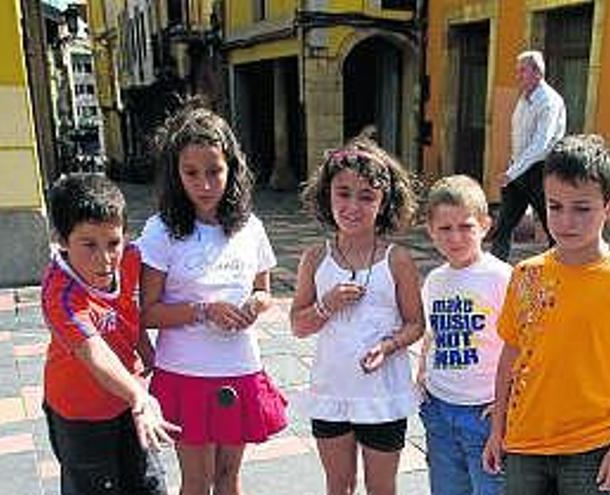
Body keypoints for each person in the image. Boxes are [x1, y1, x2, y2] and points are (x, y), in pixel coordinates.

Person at [482, 134, 610, 494]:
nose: (565, 221)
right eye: (555, 206)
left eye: (582, 208)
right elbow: (510, 357)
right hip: (524, 442)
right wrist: (497, 428)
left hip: (592, 447)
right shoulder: (526, 273)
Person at [137, 107, 287, 495]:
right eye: (192, 173)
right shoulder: (160, 231)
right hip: (185, 373)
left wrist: (255, 305)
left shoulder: (250, 227)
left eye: (214, 171)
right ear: (176, 174)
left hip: (240, 366)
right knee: (197, 482)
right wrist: (204, 310)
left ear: (231, 169)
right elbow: (148, 313)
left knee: (229, 480)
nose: (205, 184)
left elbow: (263, 290)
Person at [290, 137, 424, 495]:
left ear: (383, 203)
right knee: (338, 485)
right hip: (331, 391)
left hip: (382, 396)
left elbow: (416, 324)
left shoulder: (398, 260)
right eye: (343, 193)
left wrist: (389, 345)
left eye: (367, 196)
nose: (353, 205)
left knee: (381, 487)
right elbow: (298, 326)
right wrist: (326, 305)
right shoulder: (315, 258)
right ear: (327, 195)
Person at [41, 173, 180, 495]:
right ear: (61, 240)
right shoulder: (60, 294)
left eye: (113, 243)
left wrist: (147, 352)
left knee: (148, 484)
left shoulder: (131, 259)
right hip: (80, 414)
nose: (105, 260)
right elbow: (95, 354)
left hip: (128, 403)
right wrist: (139, 396)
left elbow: (130, 312)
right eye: (88, 245)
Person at [418, 175, 512, 495]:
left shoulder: (501, 277)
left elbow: (524, 344)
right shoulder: (434, 280)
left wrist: (506, 402)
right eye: (445, 228)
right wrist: (421, 376)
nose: (455, 238)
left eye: (466, 226)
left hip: (484, 411)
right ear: (430, 230)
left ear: (485, 225)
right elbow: (432, 333)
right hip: (440, 408)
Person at [490, 50, 567, 262]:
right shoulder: (524, 98)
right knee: (504, 225)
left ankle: (560, 268)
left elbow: (540, 145)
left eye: (522, 71)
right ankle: (496, 270)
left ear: (537, 73)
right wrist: (513, 167)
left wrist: (512, 171)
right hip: (518, 170)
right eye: (518, 71)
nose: (518, 76)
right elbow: (520, 139)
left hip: (540, 171)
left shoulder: (549, 101)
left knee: (552, 227)